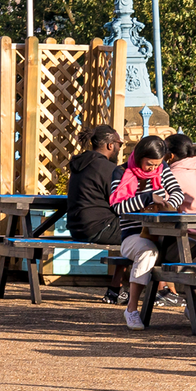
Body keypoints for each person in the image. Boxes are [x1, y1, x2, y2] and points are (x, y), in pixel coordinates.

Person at [110, 135, 185, 331]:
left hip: (161, 232)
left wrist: (168, 204)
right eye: (149, 164)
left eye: (157, 165)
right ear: (139, 156)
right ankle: (132, 309)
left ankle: (194, 309)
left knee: (190, 248)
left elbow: (178, 192)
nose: (153, 169)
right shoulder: (120, 172)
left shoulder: (162, 169)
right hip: (133, 236)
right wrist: (147, 198)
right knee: (147, 251)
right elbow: (118, 207)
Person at [65, 125, 131, 304]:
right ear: (110, 145)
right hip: (99, 227)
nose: (120, 148)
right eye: (120, 143)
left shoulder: (81, 164)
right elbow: (122, 203)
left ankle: (115, 289)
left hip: (77, 228)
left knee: (132, 233)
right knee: (140, 233)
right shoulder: (107, 169)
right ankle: (162, 290)